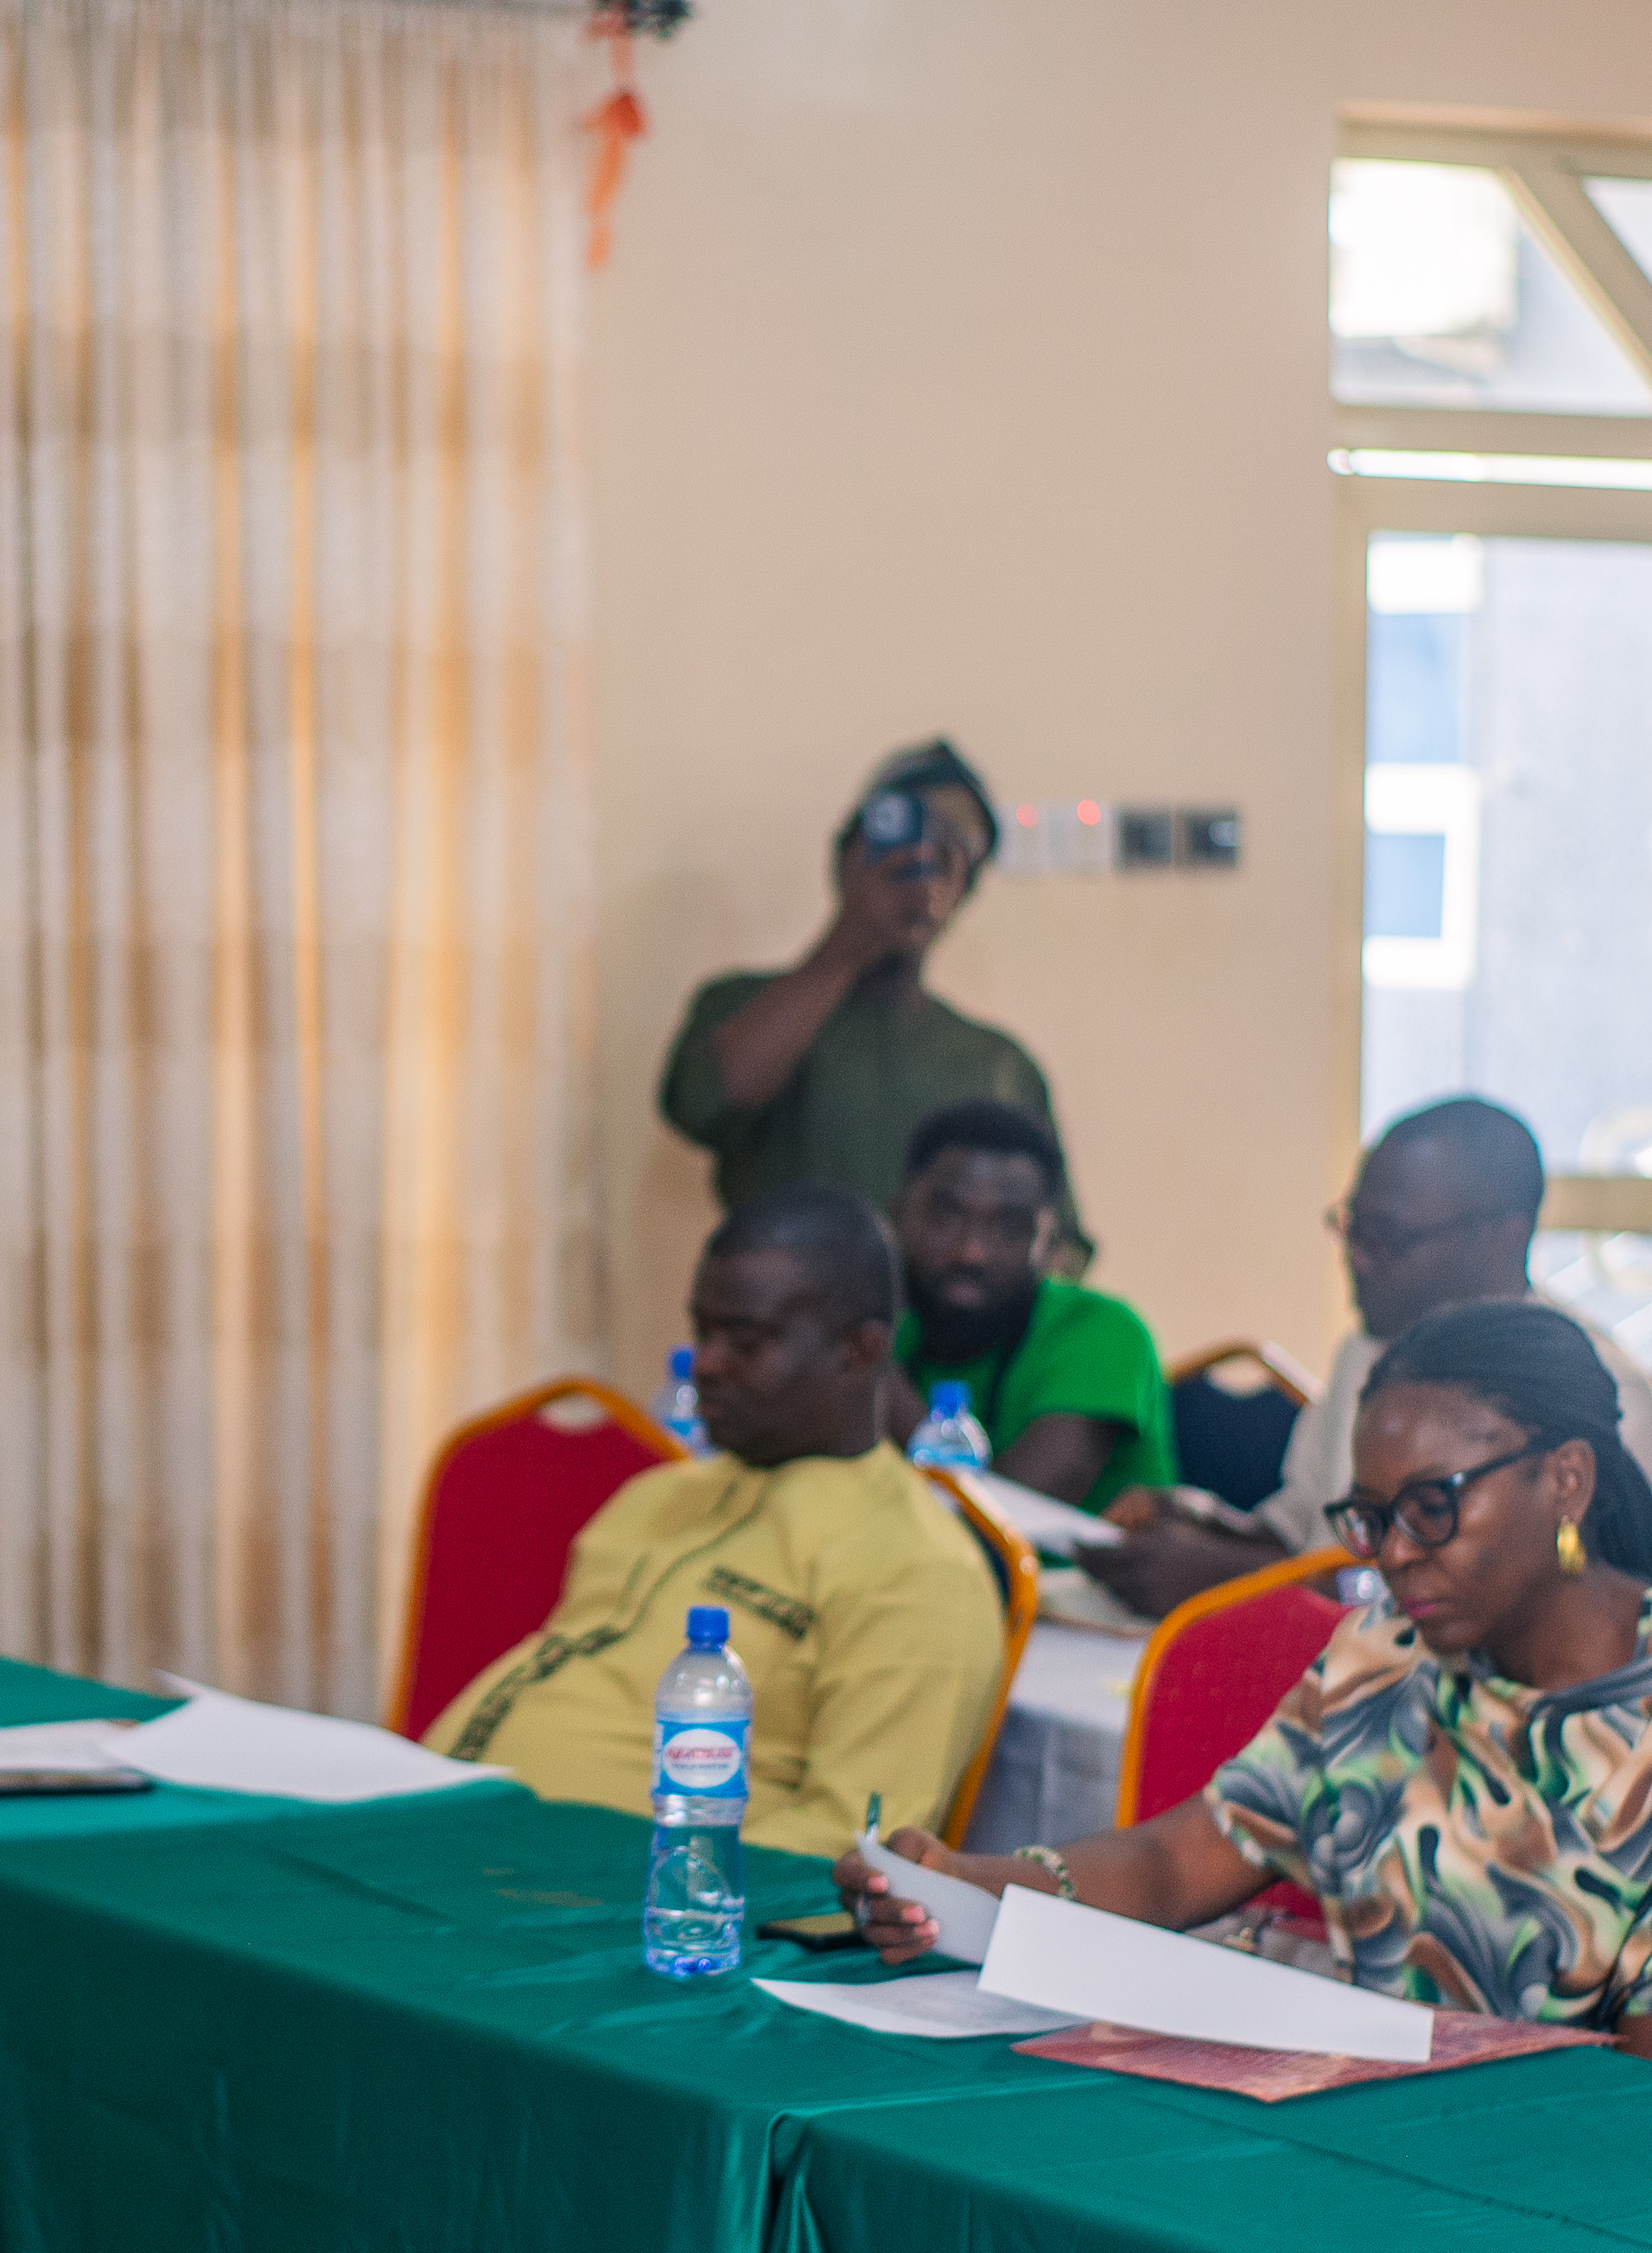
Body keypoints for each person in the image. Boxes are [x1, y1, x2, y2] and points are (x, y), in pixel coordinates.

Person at [844, 1300, 1652, 2083]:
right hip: (1383, 2145)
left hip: (1602, 2201)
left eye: (1434, 1507)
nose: (1393, 1554)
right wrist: (967, 1886)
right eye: (1371, 1516)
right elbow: (1179, 1861)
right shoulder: (1386, 1658)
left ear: (1566, 1480)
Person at [425, 1187, 1007, 1852]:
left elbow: (844, 1845)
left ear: (860, 1350)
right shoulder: (656, 1496)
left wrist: (674, 1896)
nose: (704, 1364)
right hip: (435, 1832)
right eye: (702, 1331)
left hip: (600, 1912)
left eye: (745, 1340)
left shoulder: (917, 1569)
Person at [1090, 1097, 1652, 1615]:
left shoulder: (1598, 1396)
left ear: (1502, 1238)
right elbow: (1310, 1532)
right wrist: (1197, 1523)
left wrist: (1223, 1574)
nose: (1356, 1259)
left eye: (1387, 1237)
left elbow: (1510, 1606)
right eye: (1350, 1228)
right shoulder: (1373, 1352)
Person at [660, 740, 1084, 1257]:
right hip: (789, 1328)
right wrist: (852, 935)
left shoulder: (998, 1066)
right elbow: (705, 1105)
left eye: (950, 860)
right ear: (845, 858)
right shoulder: (740, 1006)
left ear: (964, 891)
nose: (923, 874)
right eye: (900, 845)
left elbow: (1055, 1249)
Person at [886, 1100, 1175, 1513]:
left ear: (1051, 1243)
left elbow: (1005, 1520)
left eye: (1009, 1228)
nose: (972, 1253)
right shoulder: (900, 1326)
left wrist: (870, 1367)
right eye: (947, 1218)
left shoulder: (1101, 1330)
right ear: (898, 1215)